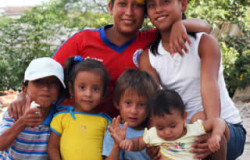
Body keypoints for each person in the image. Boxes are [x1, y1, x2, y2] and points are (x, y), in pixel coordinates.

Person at [7, 0, 212, 120]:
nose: (129, 12)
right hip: (70, 122)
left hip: (124, 129)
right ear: (110, 8)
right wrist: (21, 97)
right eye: (122, 3)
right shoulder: (83, 40)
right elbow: (46, 75)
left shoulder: (150, 38)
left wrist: (181, 24)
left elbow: (205, 26)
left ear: (146, 12)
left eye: (137, 5)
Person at [139, 0, 246, 159]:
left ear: (182, 4)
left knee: (201, 119)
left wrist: (210, 130)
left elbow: (209, 86)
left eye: (165, 2)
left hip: (224, 129)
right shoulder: (149, 57)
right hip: (180, 135)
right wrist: (155, 143)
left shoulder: (204, 43)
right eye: (152, 5)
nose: (158, 9)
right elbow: (157, 104)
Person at [111, 89, 229, 160]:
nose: (167, 132)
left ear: (184, 117)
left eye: (173, 126)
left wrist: (216, 135)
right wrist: (127, 142)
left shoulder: (194, 129)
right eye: (160, 127)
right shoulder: (153, 134)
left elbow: (218, 121)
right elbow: (138, 143)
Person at [0, 57, 65, 160]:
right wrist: (22, 122)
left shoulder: (60, 117)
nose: (45, 88)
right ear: (25, 89)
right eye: (38, 81)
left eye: (53, 83)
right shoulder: (15, 112)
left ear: (60, 90)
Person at [48, 56, 112, 160]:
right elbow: (52, 147)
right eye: (82, 87)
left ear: (104, 93)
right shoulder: (61, 118)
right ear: (71, 89)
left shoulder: (107, 123)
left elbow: (109, 154)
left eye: (95, 89)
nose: (88, 94)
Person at [102, 68, 158, 160]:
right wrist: (117, 145)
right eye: (128, 103)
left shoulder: (156, 131)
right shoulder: (115, 132)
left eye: (141, 105)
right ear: (117, 103)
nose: (134, 111)